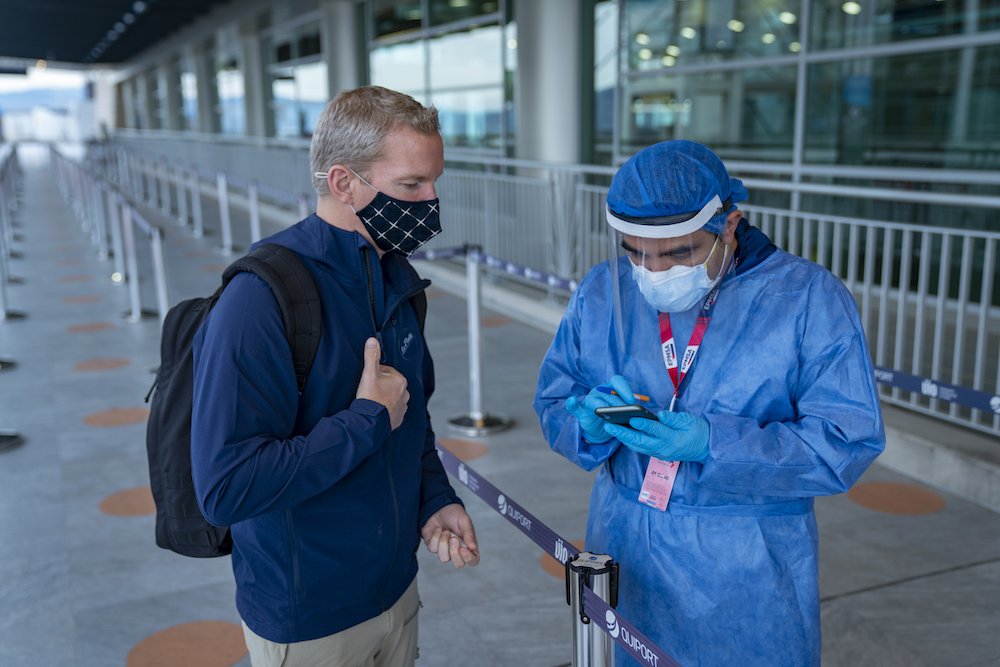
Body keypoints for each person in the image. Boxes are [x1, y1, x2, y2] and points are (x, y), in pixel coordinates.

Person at [534, 140, 885, 666]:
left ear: (731, 224)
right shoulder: (603, 292)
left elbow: (845, 441)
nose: (654, 272)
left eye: (680, 253)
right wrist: (589, 423)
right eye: (635, 251)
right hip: (624, 539)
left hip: (746, 563)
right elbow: (557, 398)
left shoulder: (806, 298)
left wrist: (711, 442)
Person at [191, 86, 480, 667]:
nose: (430, 201)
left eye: (434, 181)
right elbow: (225, 488)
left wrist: (434, 497)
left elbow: (410, 415)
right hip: (311, 617)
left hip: (396, 588)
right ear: (344, 183)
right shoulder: (261, 300)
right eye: (410, 186)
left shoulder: (396, 279)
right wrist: (365, 421)